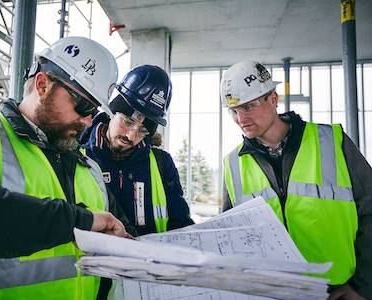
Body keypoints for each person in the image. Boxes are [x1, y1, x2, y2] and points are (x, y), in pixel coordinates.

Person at [0, 36, 131, 299]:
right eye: (84, 106)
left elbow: (120, 234)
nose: (89, 121)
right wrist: (84, 220)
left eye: (94, 112)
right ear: (43, 84)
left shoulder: (88, 168)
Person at [220, 61, 371, 299]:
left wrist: (362, 286)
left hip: (338, 291)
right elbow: (227, 236)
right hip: (270, 293)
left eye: (248, 107)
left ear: (273, 99)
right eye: (233, 111)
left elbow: (370, 210)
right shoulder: (233, 164)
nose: (241, 119)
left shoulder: (332, 141)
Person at [81, 64, 194, 236]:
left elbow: (181, 225)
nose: (131, 136)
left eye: (143, 130)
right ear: (112, 113)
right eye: (127, 121)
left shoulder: (162, 163)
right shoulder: (78, 156)